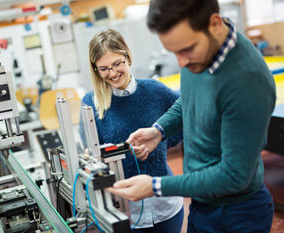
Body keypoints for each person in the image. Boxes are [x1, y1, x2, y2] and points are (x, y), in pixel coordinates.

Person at [107, 0, 276, 232]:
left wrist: (156, 186)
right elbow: (188, 100)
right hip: (202, 203)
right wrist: (159, 130)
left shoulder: (246, 81)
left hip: (237, 213)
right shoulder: (199, 51)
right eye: (174, 52)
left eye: (186, 50)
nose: (181, 62)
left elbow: (233, 176)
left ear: (215, 24)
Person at [79, 29, 184, 233]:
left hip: (165, 204)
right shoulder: (91, 104)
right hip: (124, 211)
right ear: (95, 69)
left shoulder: (155, 90)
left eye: (117, 63)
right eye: (104, 68)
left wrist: (160, 142)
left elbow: (182, 121)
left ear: (127, 56)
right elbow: (92, 156)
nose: (112, 72)